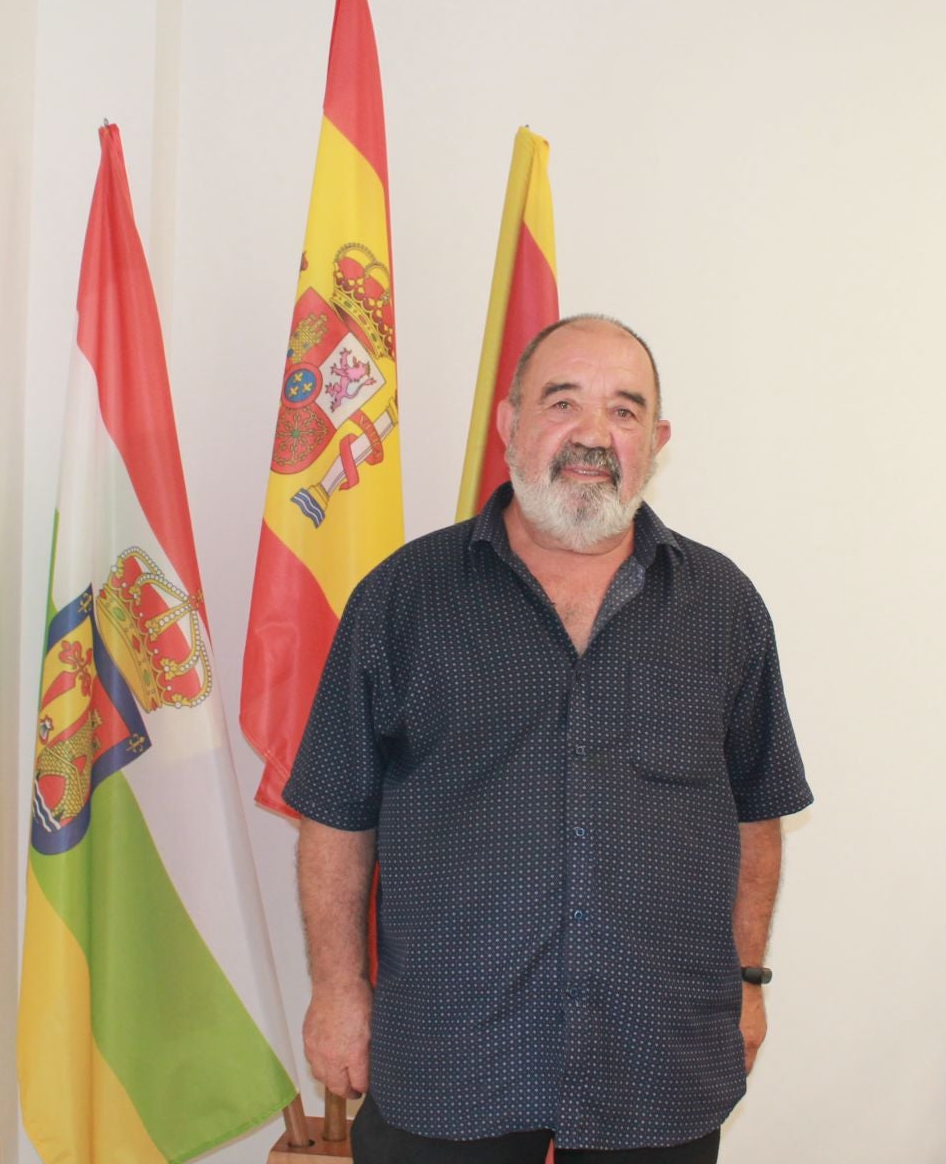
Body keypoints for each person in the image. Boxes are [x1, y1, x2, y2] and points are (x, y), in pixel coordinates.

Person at [285, 315, 813, 1163]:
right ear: (510, 424)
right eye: (563, 402)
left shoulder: (724, 608)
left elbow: (758, 813)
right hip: (449, 1062)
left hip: (656, 1065)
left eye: (625, 411)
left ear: (658, 440)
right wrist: (337, 990)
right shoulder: (402, 600)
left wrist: (748, 982)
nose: (594, 435)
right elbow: (336, 815)